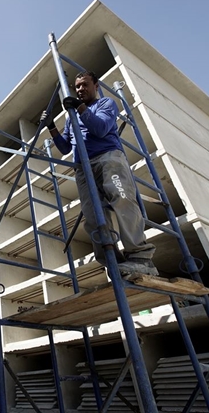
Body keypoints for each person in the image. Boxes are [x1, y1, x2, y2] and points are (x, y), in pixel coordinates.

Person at [40, 71, 157, 276]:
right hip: (83, 168)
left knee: (121, 199)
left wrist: (80, 107)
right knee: (93, 215)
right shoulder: (72, 118)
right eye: (77, 87)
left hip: (107, 159)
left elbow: (101, 129)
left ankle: (140, 257)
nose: (80, 90)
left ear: (96, 86)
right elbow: (66, 147)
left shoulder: (106, 104)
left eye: (84, 85)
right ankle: (111, 261)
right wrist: (51, 126)